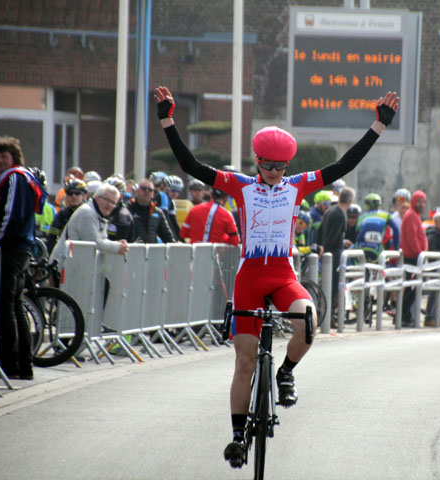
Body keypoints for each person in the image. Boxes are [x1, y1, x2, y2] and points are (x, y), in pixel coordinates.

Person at [154, 84, 399, 468]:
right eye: (266, 165)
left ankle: (285, 372)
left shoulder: (298, 185)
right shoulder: (241, 186)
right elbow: (192, 167)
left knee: (308, 322)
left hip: (283, 274)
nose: (272, 172)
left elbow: (343, 167)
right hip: (250, 277)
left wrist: (377, 127)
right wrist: (168, 120)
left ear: (287, 166)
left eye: (279, 166)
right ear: (256, 162)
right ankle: (237, 437)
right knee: (246, 363)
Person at [0, 136, 47, 380]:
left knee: (7, 307)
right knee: (16, 307)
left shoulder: (14, 177)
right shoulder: (19, 178)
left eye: (4, 156)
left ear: (14, 158)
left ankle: (10, 364)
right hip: (21, 248)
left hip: (11, 249)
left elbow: (11, 216)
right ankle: (24, 365)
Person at [49, 183, 130, 266]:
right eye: (107, 200)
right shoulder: (87, 213)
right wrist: (117, 247)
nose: (109, 205)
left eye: (113, 203)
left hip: (73, 268)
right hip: (62, 268)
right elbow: (95, 244)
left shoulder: (99, 214)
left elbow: (102, 240)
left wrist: (118, 244)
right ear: (96, 197)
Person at [317, 186, 355, 315]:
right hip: (334, 254)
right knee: (333, 286)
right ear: (350, 201)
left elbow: (321, 231)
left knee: (327, 285)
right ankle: (330, 314)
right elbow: (332, 236)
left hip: (327, 251)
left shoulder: (330, 210)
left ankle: (326, 313)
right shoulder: (340, 214)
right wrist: (327, 246)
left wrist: (321, 246)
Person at [400, 190, 428, 327]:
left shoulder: (415, 215)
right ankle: (404, 316)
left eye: (423, 202)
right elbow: (412, 238)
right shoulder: (411, 216)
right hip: (412, 258)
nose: (422, 204)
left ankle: (406, 315)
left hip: (415, 257)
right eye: (419, 201)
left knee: (412, 288)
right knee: (411, 289)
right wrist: (419, 254)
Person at [355, 192, 400, 263]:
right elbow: (396, 228)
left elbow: (357, 232)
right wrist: (396, 247)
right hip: (377, 248)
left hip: (361, 248)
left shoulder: (362, 217)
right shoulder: (386, 215)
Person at [127, 178, 175, 244]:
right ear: (137, 191)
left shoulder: (157, 212)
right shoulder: (127, 209)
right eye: (143, 188)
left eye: (150, 190)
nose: (147, 191)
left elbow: (168, 238)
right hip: (133, 251)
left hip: (151, 252)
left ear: (153, 194)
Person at [46, 178, 88, 253]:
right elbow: (52, 238)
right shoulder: (62, 214)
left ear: (84, 196)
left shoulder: (89, 213)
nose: (73, 196)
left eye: (77, 193)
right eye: (70, 193)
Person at [104, 175, 135, 242]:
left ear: (121, 196)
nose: (108, 197)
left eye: (112, 194)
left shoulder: (123, 215)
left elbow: (120, 243)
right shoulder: (104, 210)